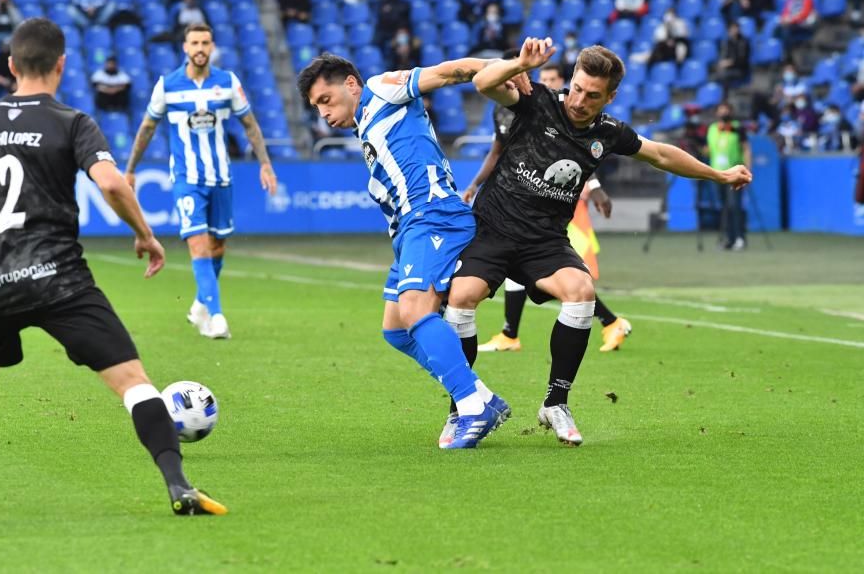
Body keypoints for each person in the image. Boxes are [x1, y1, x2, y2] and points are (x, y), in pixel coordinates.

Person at [0, 17, 226, 516]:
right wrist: (145, 235)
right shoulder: (70, 121)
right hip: (58, 280)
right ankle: (179, 486)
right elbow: (114, 184)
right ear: (62, 64)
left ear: (11, 66)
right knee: (132, 380)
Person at [449, 38, 752, 446]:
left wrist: (719, 175)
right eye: (576, 88)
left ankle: (556, 402)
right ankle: (463, 406)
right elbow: (484, 84)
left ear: (610, 97)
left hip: (544, 240)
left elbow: (661, 154)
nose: (579, 101)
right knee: (461, 297)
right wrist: (520, 62)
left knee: (581, 291)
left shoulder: (608, 132)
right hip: (494, 229)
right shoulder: (536, 101)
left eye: (593, 96)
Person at [296, 52, 511, 449]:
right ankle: (481, 396)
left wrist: (505, 66)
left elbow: (449, 73)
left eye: (325, 100)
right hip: (410, 229)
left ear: (350, 84)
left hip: (434, 215)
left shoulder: (380, 89)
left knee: (415, 309)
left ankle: (469, 406)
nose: (323, 113)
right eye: (315, 108)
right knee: (395, 329)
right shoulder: (366, 126)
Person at [461, 59, 632, 354]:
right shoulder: (508, 107)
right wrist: (476, 184)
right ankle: (512, 332)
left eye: (555, 78)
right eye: (545, 77)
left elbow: (578, 154)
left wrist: (595, 188)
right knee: (530, 268)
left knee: (561, 274)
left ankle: (606, 320)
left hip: (558, 207)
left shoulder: (560, 108)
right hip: (517, 206)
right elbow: (498, 151)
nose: (550, 83)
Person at [124, 24, 278, 340]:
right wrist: (130, 170)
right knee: (198, 244)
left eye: (205, 42)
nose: (200, 48)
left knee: (218, 244)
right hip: (186, 179)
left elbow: (249, 124)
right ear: (185, 47)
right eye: (194, 42)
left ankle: (200, 304)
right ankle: (218, 317)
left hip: (220, 176)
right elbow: (147, 128)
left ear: (212, 46)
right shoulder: (168, 85)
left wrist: (265, 163)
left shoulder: (227, 82)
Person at [706, 103, 752, 250]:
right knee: (724, 207)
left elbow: (746, 149)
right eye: (721, 111)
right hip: (717, 173)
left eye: (726, 111)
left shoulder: (738, 128)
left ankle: (740, 238)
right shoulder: (712, 129)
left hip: (735, 172)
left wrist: (748, 169)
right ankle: (729, 239)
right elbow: (709, 150)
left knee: (735, 206)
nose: (723, 114)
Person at [716, 20, 751, 92]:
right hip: (730, 69)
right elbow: (725, 56)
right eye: (731, 28)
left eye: (735, 28)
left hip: (741, 69)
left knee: (723, 75)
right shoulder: (729, 42)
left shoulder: (743, 42)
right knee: (715, 75)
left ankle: (725, 97)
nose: (733, 30)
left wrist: (729, 63)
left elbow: (742, 60)